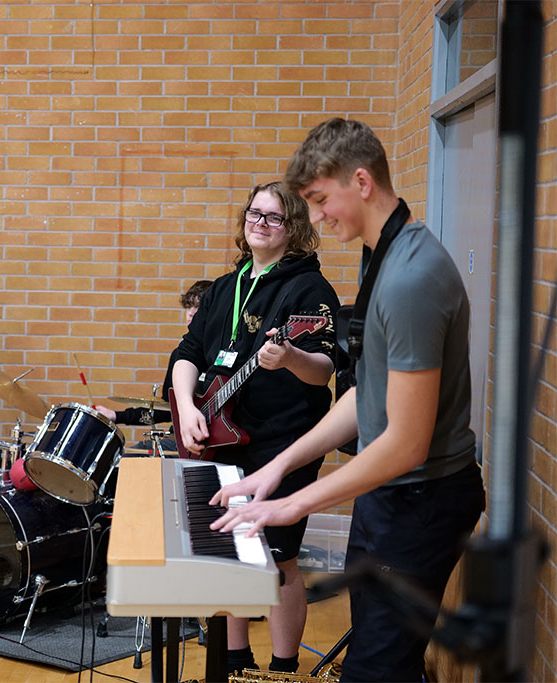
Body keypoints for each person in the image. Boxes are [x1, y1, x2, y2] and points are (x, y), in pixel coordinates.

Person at [212, 118, 485, 682]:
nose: (313, 218)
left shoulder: (411, 276)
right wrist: (277, 470)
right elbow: (366, 395)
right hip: (392, 497)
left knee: (376, 670)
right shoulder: (381, 255)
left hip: (422, 499)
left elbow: (407, 443)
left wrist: (292, 504)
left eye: (317, 200)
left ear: (361, 182)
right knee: (378, 661)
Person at [172, 181, 340, 675]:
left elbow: (324, 368)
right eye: (254, 213)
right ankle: (235, 660)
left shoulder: (309, 289)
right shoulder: (227, 285)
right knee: (227, 551)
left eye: (273, 218)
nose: (260, 224)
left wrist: (289, 357)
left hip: (281, 442)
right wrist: (186, 405)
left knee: (279, 558)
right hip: (217, 438)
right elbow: (187, 354)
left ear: (295, 230)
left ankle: (283, 670)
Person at [95, 280, 212, 428]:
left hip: (217, 438)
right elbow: (166, 409)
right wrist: (116, 416)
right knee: (133, 451)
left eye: (197, 307)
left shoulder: (221, 354)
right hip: (183, 439)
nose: (190, 312)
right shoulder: (180, 355)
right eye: (188, 306)